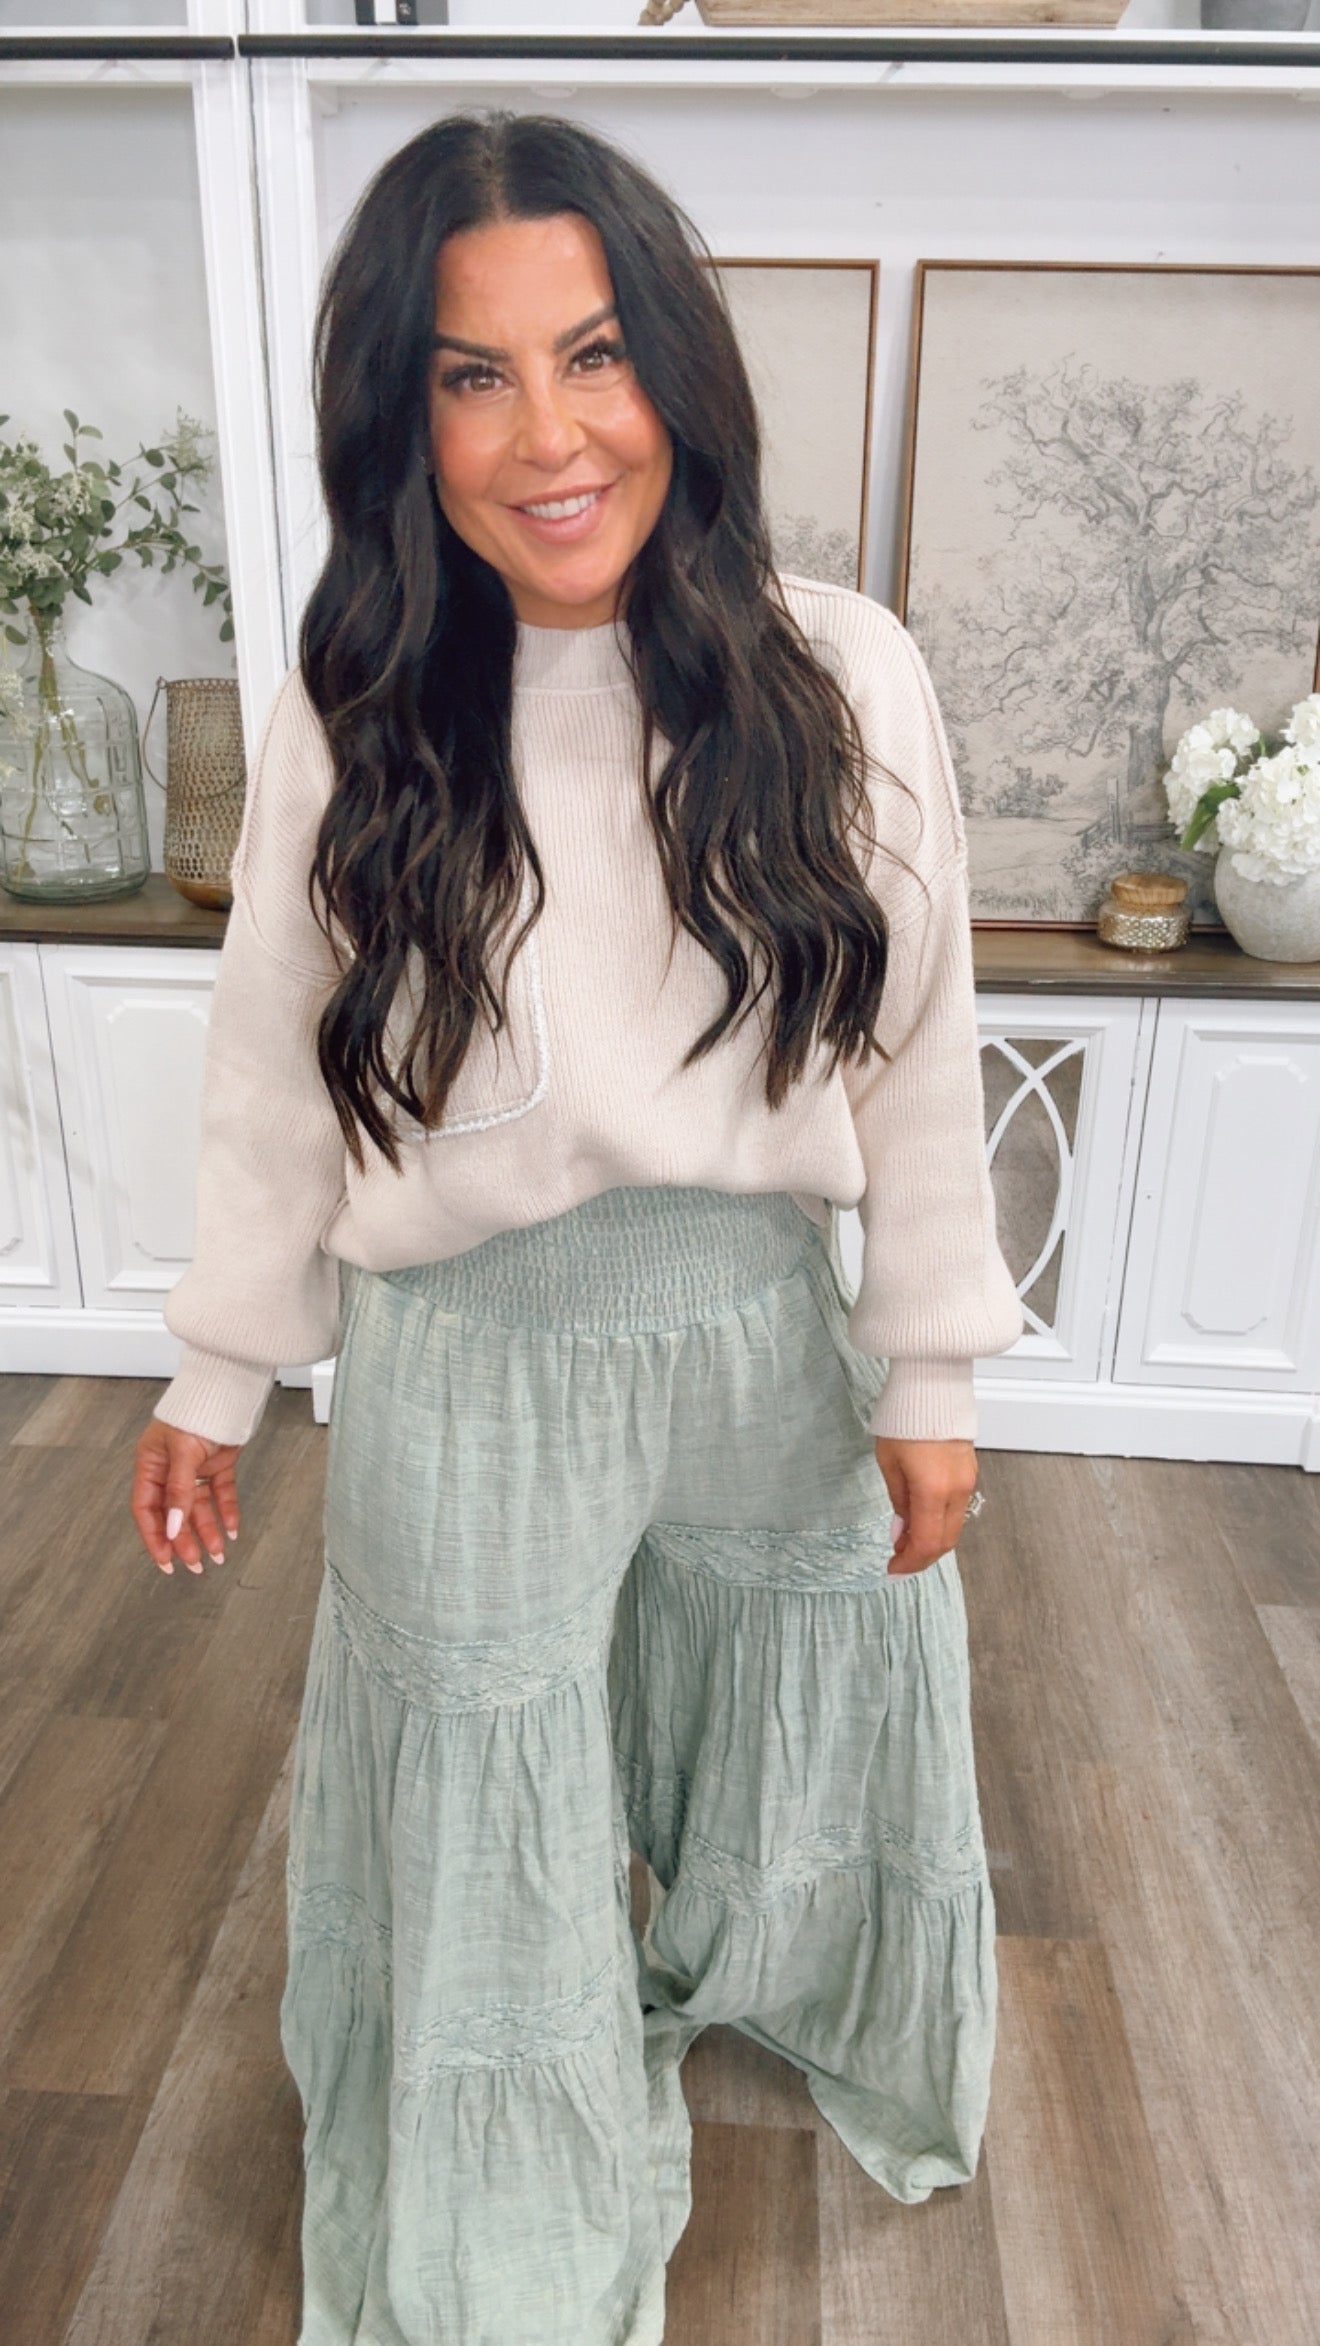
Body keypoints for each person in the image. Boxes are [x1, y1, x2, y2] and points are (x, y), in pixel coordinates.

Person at [129, 109, 1024, 2346]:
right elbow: (270, 1068)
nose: (550, 434)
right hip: (466, 1367)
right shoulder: (358, 714)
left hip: (758, 1333)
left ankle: (795, 1981)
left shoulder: (841, 673)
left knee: (815, 1679)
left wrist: (929, 1364)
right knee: (486, 1797)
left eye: (596, 353)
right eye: (475, 374)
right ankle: (502, 2206)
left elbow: (919, 1038)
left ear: (677, 373)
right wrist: (217, 1369)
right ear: (402, 420)